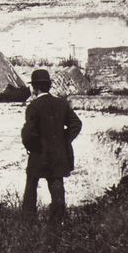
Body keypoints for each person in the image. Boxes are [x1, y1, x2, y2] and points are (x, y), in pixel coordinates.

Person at [21, 67, 83, 225]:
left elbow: (28, 134)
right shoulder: (61, 104)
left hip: (39, 154)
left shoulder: (33, 107)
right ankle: (58, 219)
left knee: (31, 185)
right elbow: (76, 124)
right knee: (57, 184)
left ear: (34, 87)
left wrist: (33, 146)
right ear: (49, 85)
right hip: (58, 153)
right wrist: (64, 141)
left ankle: (29, 220)